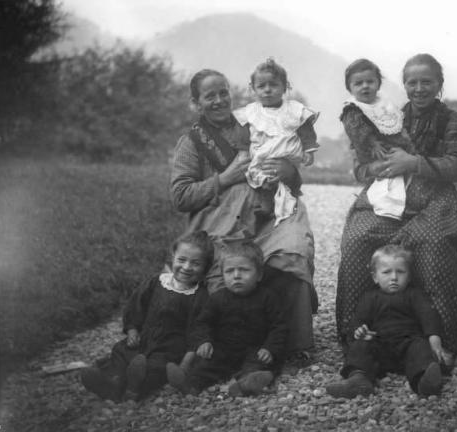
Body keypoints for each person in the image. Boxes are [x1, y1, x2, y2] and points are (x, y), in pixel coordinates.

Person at [170, 69, 316, 359]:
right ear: (195, 103)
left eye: (223, 92)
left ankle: (296, 344)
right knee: (226, 267)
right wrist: (224, 179)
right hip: (223, 220)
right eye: (210, 96)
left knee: (294, 251)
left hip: (270, 215)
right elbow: (181, 196)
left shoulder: (254, 121)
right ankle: (225, 349)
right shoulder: (193, 141)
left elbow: (289, 169)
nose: (219, 100)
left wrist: (290, 172)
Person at [336, 53, 457, 362]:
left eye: (427, 82)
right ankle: (359, 335)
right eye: (412, 82)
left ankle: (441, 340)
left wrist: (413, 163)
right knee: (358, 240)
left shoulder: (452, 121)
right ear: (404, 84)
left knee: (435, 244)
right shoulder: (388, 115)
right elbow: (359, 167)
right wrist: (376, 169)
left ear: (439, 84)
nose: (419, 88)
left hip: (436, 200)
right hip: (389, 196)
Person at [80, 230, 213, 402]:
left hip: (168, 349)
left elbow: (199, 328)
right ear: (173, 258)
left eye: (195, 263)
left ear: (206, 268)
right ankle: (114, 382)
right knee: (121, 353)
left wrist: (186, 362)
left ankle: (134, 389)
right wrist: (132, 329)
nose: (186, 267)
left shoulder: (200, 296)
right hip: (143, 341)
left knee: (155, 368)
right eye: (182, 260)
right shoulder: (157, 282)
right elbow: (136, 306)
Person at [326, 245, 450, 399]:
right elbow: (358, 320)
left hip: (408, 344)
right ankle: (359, 379)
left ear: (409, 276)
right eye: (386, 272)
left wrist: (434, 337)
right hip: (379, 345)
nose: (394, 277)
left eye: (400, 272)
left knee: (421, 347)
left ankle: (424, 382)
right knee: (361, 346)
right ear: (375, 277)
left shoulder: (414, 295)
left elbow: (428, 315)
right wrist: (359, 331)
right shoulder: (370, 297)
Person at [166, 241, 287, 397]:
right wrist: (205, 341)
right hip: (224, 349)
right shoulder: (217, 298)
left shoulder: (268, 298)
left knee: (259, 364)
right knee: (206, 365)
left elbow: (279, 327)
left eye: (244, 270)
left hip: (255, 348)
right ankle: (190, 385)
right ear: (222, 275)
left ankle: (245, 384)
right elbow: (203, 323)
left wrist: (269, 348)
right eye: (230, 271)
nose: (236, 276)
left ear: (259, 275)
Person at [234, 58, 319, 226]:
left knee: (284, 179)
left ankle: (288, 202)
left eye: (273, 85)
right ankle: (265, 204)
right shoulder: (251, 112)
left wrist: (309, 150)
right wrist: (243, 151)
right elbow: (243, 134)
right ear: (253, 89)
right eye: (261, 86)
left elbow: (305, 130)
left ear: (285, 87)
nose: (267, 90)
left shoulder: (293, 109)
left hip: (286, 152)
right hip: (261, 153)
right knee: (260, 175)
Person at [340, 58, 417, 219]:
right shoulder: (353, 110)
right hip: (371, 150)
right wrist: (372, 144)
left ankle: (403, 204)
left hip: (392, 147)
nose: (365, 86)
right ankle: (389, 208)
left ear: (378, 84)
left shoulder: (383, 103)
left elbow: (396, 124)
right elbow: (357, 130)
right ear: (350, 88)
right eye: (358, 83)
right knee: (387, 182)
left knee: (402, 179)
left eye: (370, 81)